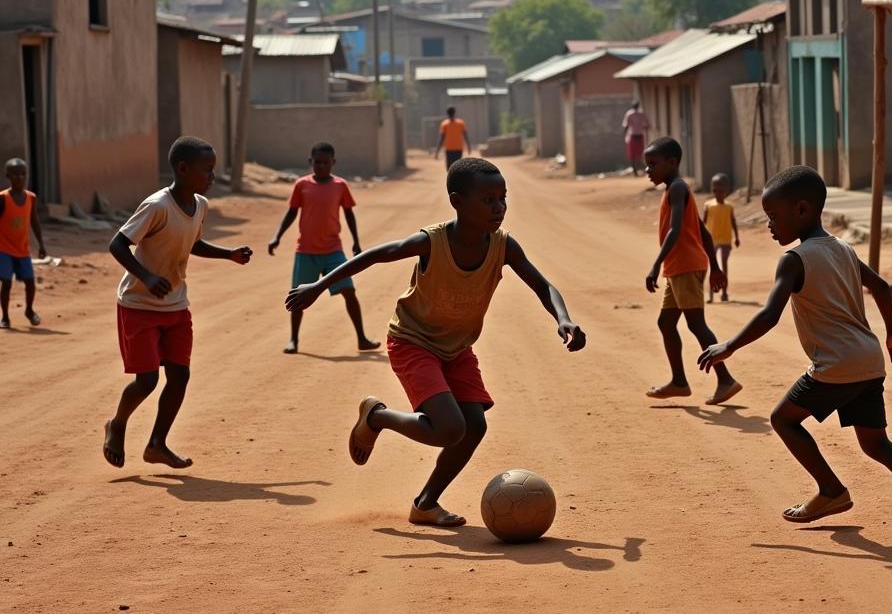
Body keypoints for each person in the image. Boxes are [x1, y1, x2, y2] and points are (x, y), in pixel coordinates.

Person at [286, 157, 586, 527]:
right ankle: (377, 417)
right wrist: (319, 285)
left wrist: (564, 318)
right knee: (449, 428)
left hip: (456, 349)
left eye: (503, 198)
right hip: (413, 341)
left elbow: (544, 286)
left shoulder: (503, 246)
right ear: (457, 201)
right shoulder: (433, 241)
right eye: (488, 200)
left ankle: (426, 503)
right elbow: (379, 254)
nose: (499, 208)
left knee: (474, 426)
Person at [697, 165, 892, 534]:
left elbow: (769, 315)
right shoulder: (843, 248)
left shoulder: (794, 260)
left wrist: (729, 345)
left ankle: (831, 490)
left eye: (774, 217)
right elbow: (883, 287)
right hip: (869, 361)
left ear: (803, 211)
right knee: (878, 444)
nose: (770, 226)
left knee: (783, 419)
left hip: (836, 365)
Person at [102, 136, 252, 470]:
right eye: (208, 170)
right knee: (147, 380)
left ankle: (157, 444)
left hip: (175, 306)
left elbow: (192, 243)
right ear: (183, 169)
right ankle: (117, 424)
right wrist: (147, 276)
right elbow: (117, 244)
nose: (213, 177)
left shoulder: (200, 205)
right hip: (139, 304)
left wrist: (229, 254)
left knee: (180, 375)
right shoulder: (157, 206)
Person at [643, 138, 742, 405]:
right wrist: (716, 267)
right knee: (666, 323)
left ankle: (725, 379)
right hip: (679, 268)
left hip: (685, 266)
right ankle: (679, 382)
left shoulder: (677, 188)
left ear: (672, 163)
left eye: (653, 164)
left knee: (697, 324)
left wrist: (654, 265)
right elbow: (704, 232)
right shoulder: (674, 190)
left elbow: (676, 230)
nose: (648, 171)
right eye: (646, 166)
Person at [269, 141, 380, 355]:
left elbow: (349, 213)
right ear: (310, 162)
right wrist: (277, 236)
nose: (320, 166)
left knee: (349, 291)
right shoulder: (302, 185)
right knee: (298, 297)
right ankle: (293, 340)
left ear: (333, 162)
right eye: (317, 162)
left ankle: (362, 338)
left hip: (333, 251)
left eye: (325, 162)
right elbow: (292, 212)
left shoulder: (340, 185)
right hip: (306, 251)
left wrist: (356, 240)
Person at [0, 157, 47, 329]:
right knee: (6, 282)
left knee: (29, 282)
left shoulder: (31, 198)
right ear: (8, 176)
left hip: (22, 249)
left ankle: (29, 310)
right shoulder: (3, 198)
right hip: (4, 248)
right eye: (15, 174)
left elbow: (34, 222)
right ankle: (5, 317)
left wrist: (41, 244)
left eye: (23, 174)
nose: (19, 177)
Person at [703, 173, 740, 303]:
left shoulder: (730, 206)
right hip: (711, 241)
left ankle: (724, 293)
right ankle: (711, 296)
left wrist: (737, 237)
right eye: (715, 190)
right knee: (712, 267)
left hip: (725, 241)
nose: (718, 192)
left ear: (727, 190)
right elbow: (703, 224)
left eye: (721, 190)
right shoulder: (708, 205)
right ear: (712, 190)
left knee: (723, 265)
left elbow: (733, 222)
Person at [622, 102, 650, 176]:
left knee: (633, 155)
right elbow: (647, 125)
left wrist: (625, 134)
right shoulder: (641, 114)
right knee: (640, 154)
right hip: (639, 136)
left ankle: (635, 171)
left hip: (633, 136)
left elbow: (625, 126)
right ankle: (639, 170)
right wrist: (640, 127)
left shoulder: (629, 114)